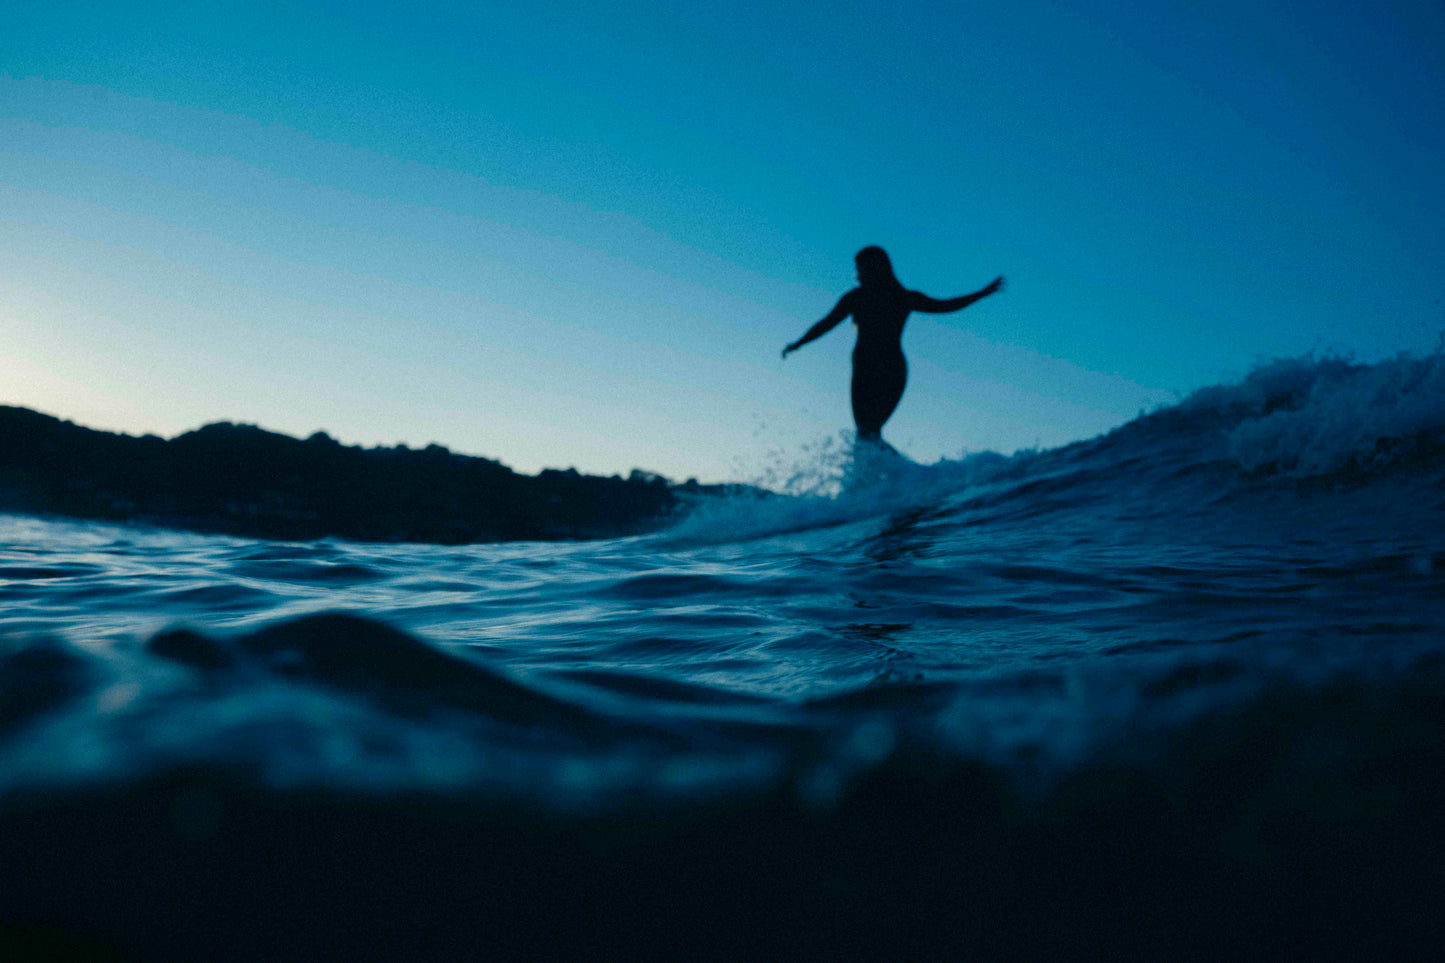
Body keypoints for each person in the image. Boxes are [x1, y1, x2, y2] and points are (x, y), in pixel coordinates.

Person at [782, 246, 1004, 444]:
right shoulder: (899, 296)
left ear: (871, 267)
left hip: (872, 368)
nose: (856, 274)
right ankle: (891, 482)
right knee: (869, 433)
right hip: (889, 368)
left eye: (858, 267)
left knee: (866, 433)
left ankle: (897, 481)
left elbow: (944, 306)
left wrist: (799, 343)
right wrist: (982, 293)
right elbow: (945, 306)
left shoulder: (864, 297)